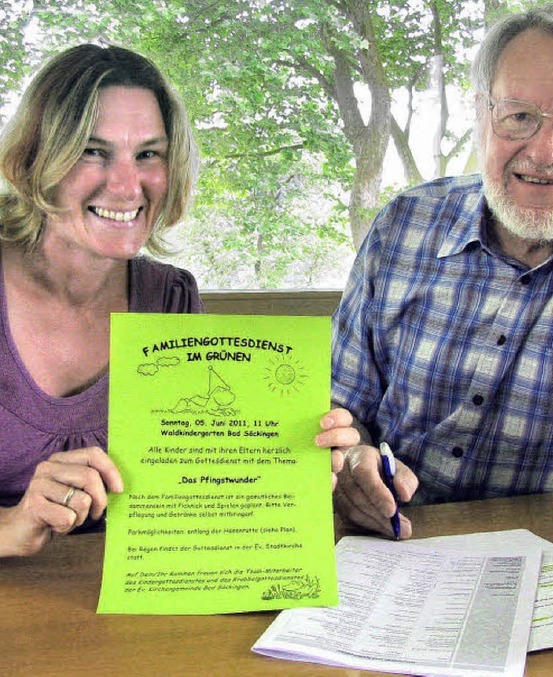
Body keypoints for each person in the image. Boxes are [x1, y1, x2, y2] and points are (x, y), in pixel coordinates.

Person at [331, 2, 553, 650]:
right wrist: (353, 461)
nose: (544, 149)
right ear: (481, 114)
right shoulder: (401, 225)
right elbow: (341, 407)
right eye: (519, 115)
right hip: (378, 573)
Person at [0, 43, 358, 558]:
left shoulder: (169, 297)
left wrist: (289, 474)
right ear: (36, 157)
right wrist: (13, 523)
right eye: (92, 151)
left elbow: (191, 498)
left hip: (129, 610)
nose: (127, 187)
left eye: (148, 154)